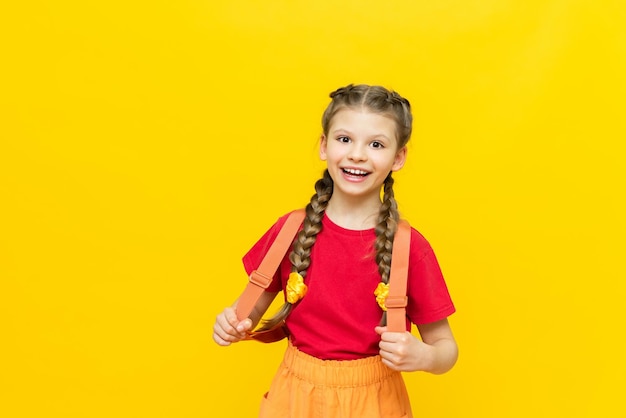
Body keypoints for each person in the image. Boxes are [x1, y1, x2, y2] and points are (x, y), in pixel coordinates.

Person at [212, 84, 458, 418]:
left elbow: (446, 348)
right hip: (294, 395)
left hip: (375, 401)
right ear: (324, 147)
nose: (357, 154)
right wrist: (233, 322)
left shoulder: (410, 247)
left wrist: (425, 357)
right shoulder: (290, 230)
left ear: (398, 157)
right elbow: (249, 312)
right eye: (345, 139)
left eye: (376, 144)